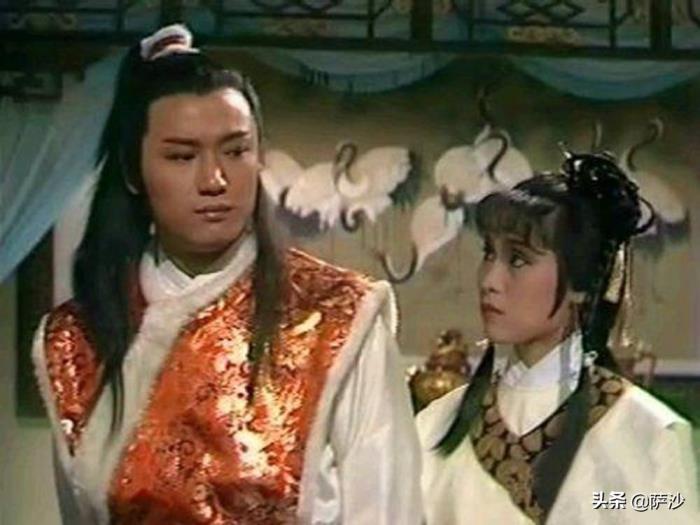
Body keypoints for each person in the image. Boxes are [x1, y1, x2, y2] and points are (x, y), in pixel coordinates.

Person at [32, 24, 421, 525]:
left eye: (236, 151)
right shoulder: (75, 339)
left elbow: (388, 510)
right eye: (182, 156)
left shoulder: (336, 317)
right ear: (133, 172)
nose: (214, 180)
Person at [416, 150, 699, 524]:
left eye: (518, 259)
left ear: (580, 284)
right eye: (489, 254)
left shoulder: (647, 434)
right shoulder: (435, 427)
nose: (490, 281)